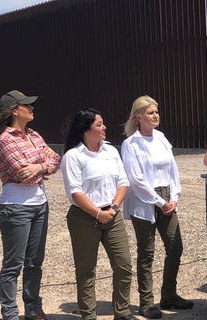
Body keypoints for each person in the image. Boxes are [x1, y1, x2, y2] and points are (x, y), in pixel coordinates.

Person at [0, 90, 60, 320]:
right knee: (13, 263)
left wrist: (39, 167)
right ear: (13, 111)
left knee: (34, 262)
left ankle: (32, 308)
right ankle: (9, 313)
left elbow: (55, 159)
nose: (31, 109)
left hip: (40, 203)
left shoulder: (34, 135)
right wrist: (42, 166)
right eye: (26, 106)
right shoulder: (5, 139)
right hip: (15, 207)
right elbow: (22, 173)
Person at [121, 96, 194, 319]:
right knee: (147, 252)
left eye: (157, 111)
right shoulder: (130, 144)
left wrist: (175, 196)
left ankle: (169, 294)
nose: (156, 115)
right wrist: (160, 202)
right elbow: (136, 179)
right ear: (138, 117)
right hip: (145, 201)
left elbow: (173, 169)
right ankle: (146, 302)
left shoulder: (161, 138)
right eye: (151, 112)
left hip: (167, 197)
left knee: (175, 247)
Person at [60, 108, 135, 320]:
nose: (105, 128)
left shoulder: (111, 151)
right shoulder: (73, 157)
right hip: (84, 217)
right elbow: (75, 192)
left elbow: (123, 181)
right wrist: (96, 213)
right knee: (86, 270)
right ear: (86, 129)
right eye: (99, 124)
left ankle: (122, 311)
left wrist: (115, 207)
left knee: (124, 265)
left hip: (112, 214)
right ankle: (89, 315)